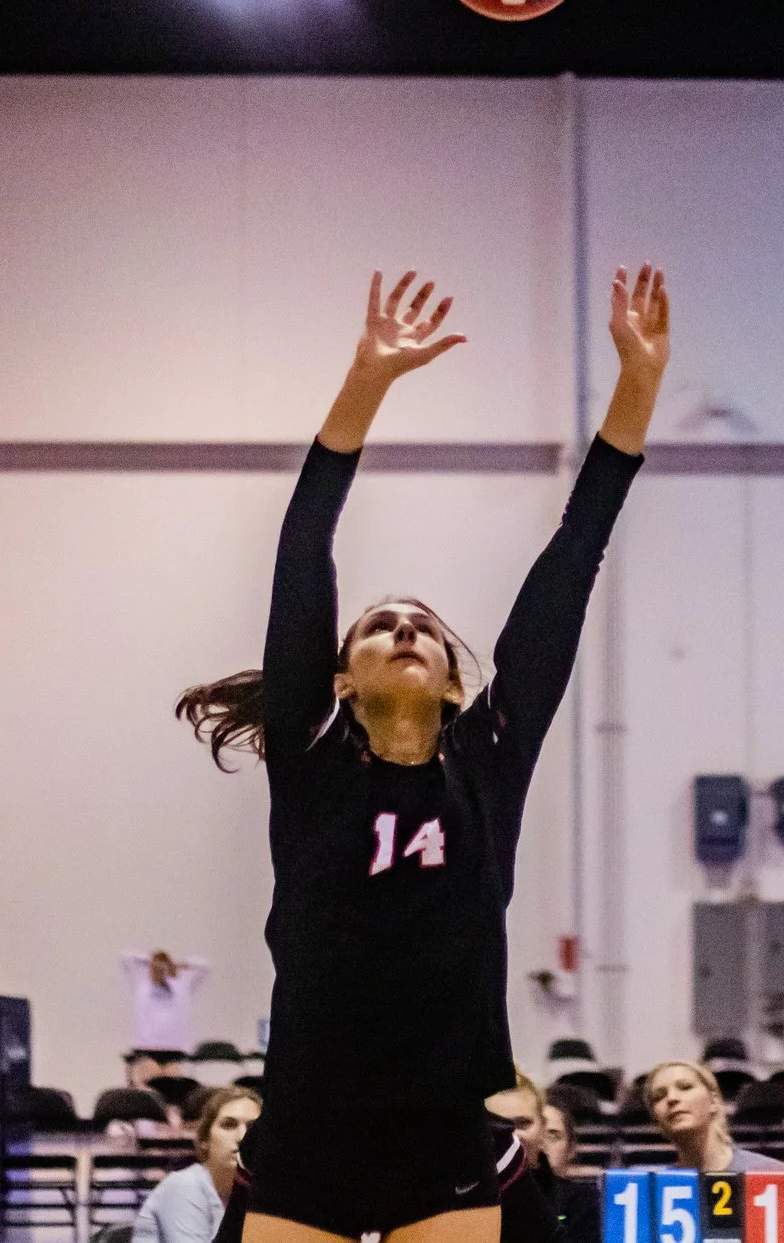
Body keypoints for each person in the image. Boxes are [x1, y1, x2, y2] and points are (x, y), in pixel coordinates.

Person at [177, 266, 669, 1243]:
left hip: (442, 1125)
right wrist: (367, 379)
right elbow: (304, 540)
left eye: (423, 627)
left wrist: (638, 385)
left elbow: (576, 551)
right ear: (341, 679)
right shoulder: (310, 762)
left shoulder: (487, 761)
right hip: (312, 1123)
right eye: (378, 626)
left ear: (452, 679)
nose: (403, 628)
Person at [133, 1086, 259, 1243]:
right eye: (228, 1125)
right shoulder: (184, 1185)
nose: (242, 1137)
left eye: (253, 1128)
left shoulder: (259, 1194)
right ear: (204, 1140)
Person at [488, 1072, 599, 1243]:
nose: (513, 1135)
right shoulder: (457, 1202)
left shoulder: (584, 1202)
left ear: (542, 1129)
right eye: (500, 1125)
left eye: (523, 1124)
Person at [645, 1060, 784, 1173]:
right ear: (656, 1120)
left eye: (685, 1087)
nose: (671, 1098)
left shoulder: (770, 1173)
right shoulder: (656, 1190)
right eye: (659, 1096)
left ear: (714, 1101)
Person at [123, 950, 210, 1085]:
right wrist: (152, 961)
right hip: (147, 1047)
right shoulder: (142, 982)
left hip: (173, 1047)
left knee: (172, 1089)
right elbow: (127, 957)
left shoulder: (181, 984)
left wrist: (181, 964)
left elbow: (204, 966)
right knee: (150, 1084)